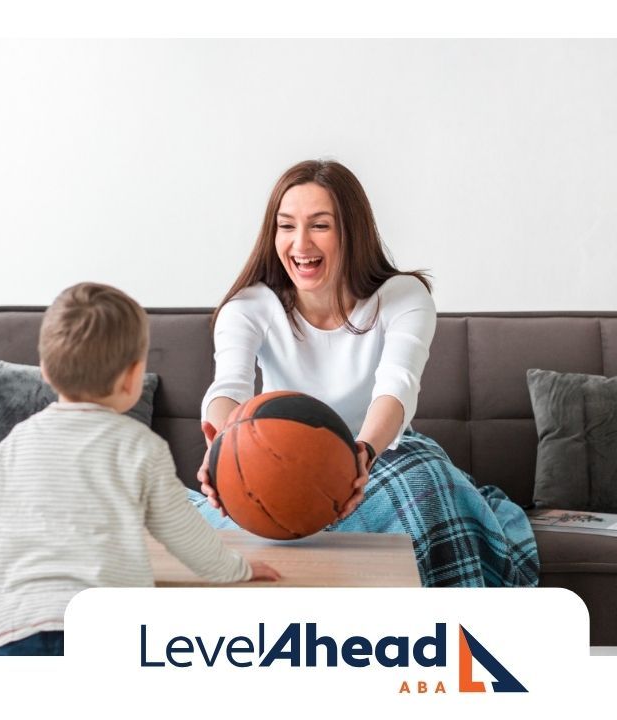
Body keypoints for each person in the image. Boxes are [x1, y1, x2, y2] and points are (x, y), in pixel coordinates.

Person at [193, 159, 539, 588]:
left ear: (351, 232)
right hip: (275, 458)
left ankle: (439, 639)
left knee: (428, 487)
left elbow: (397, 388)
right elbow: (229, 387)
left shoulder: (403, 297)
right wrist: (223, 446)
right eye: (286, 226)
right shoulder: (248, 307)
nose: (300, 243)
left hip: (379, 450)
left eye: (320, 225)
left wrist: (362, 455)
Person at [0, 282, 280, 656]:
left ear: (44, 369)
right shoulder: (139, 446)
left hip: (19, 624)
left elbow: (3, 526)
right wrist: (238, 569)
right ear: (132, 377)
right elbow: (184, 532)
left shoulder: (12, 446)